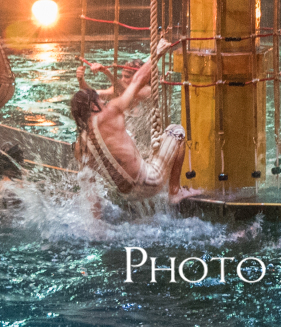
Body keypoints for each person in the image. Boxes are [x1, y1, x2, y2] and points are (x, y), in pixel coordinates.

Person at [69, 37, 191, 205]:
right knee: (177, 131)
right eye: (122, 76)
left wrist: (107, 73)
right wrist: (156, 54)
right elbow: (128, 85)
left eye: (127, 76)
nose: (122, 79)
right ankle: (175, 191)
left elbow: (90, 189)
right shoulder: (112, 110)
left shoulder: (80, 143)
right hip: (147, 181)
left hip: (126, 188)